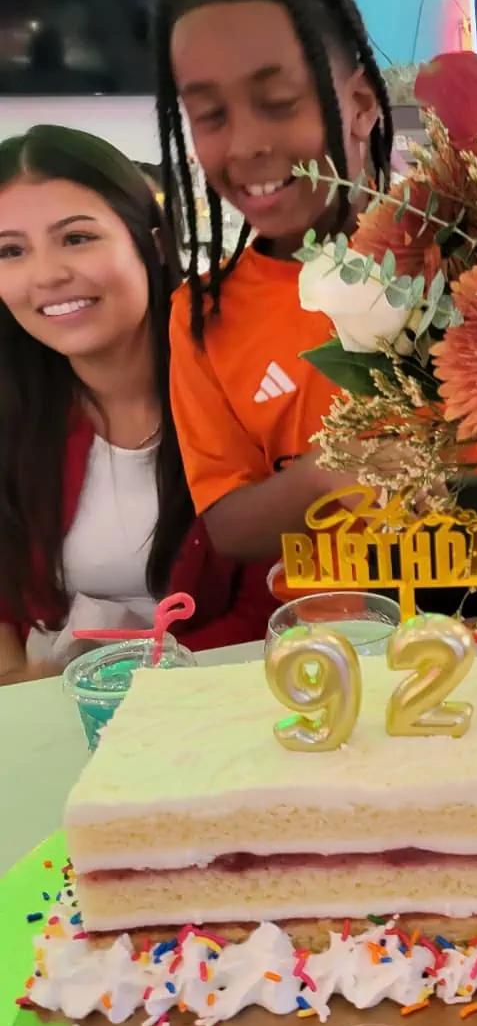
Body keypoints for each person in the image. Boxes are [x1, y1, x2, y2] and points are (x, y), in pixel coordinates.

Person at [0, 125, 275, 683]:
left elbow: (277, 609)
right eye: (11, 250)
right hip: (57, 703)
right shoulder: (14, 409)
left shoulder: (252, 388)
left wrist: (112, 680)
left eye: (76, 238)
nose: (47, 275)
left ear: (152, 243)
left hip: (229, 695)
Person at [153, 0, 395, 562]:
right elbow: (229, 529)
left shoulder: (467, 259)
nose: (246, 146)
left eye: (280, 102)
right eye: (210, 115)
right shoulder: (203, 317)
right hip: (320, 618)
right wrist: (325, 474)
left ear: (362, 105)